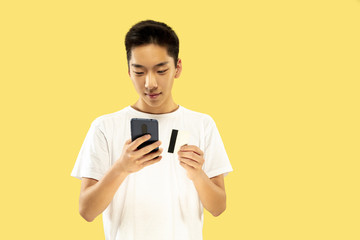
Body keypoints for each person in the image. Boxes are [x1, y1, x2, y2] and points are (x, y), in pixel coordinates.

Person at [71, 19, 233, 240]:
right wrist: (121, 168)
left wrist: (197, 174)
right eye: (139, 72)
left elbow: (218, 207)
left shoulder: (202, 124)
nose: (150, 83)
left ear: (177, 68)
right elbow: (87, 211)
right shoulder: (104, 127)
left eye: (161, 70)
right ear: (128, 71)